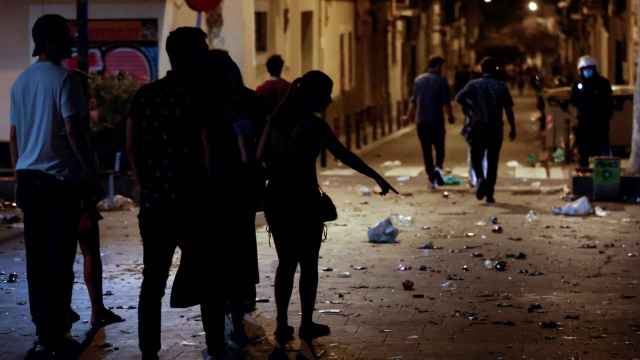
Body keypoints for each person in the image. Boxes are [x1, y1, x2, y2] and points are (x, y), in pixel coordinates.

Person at [258, 71, 398, 350]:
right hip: (305, 199)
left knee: (286, 262)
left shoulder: (275, 121)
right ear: (312, 95)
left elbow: (259, 158)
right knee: (308, 264)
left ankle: (283, 323)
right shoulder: (313, 125)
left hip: (278, 198)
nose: (329, 99)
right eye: (325, 93)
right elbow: (344, 155)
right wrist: (376, 176)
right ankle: (306, 323)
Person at [126, 27, 226, 360]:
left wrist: (141, 184)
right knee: (210, 277)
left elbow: (132, 144)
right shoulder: (201, 95)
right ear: (191, 55)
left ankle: (148, 350)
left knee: (152, 279)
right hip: (195, 199)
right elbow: (208, 146)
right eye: (202, 48)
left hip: (155, 201)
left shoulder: (145, 96)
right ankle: (215, 345)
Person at [10, 14, 98, 359]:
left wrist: (18, 176)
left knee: (37, 260)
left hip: (30, 180)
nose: (71, 44)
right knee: (60, 259)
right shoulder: (66, 81)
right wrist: (90, 172)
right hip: (59, 181)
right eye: (66, 38)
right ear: (49, 42)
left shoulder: (20, 83)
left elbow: (15, 136)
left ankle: (43, 328)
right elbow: (75, 132)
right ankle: (58, 331)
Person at [206, 49, 263, 349]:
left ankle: (220, 321)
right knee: (241, 247)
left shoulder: (201, 102)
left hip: (210, 188)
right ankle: (239, 310)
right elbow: (257, 148)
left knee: (216, 253)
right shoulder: (248, 100)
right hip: (240, 187)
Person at [456, 57, 517, 204]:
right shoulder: (501, 86)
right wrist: (513, 128)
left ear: (481, 69)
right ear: (495, 69)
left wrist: (471, 109)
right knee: (493, 160)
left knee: (476, 157)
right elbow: (508, 109)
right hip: (496, 128)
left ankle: (481, 179)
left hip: (478, 127)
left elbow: (459, 98)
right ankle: (490, 193)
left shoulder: (473, 84)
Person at [406, 56, 455, 189]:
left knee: (426, 150)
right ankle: (438, 169)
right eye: (443, 67)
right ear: (438, 66)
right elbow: (446, 102)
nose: (444, 70)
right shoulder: (441, 81)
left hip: (421, 121)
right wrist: (450, 116)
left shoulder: (418, 80)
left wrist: (408, 117)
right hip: (436, 121)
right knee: (440, 149)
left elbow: (413, 101)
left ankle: (431, 174)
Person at [569, 55, 613, 169]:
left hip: (600, 121)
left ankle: (603, 167)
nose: (587, 72)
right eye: (585, 70)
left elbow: (608, 100)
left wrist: (607, 115)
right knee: (583, 145)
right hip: (584, 120)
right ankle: (583, 164)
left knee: (602, 144)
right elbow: (573, 100)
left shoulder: (603, 83)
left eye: (590, 69)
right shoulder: (578, 84)